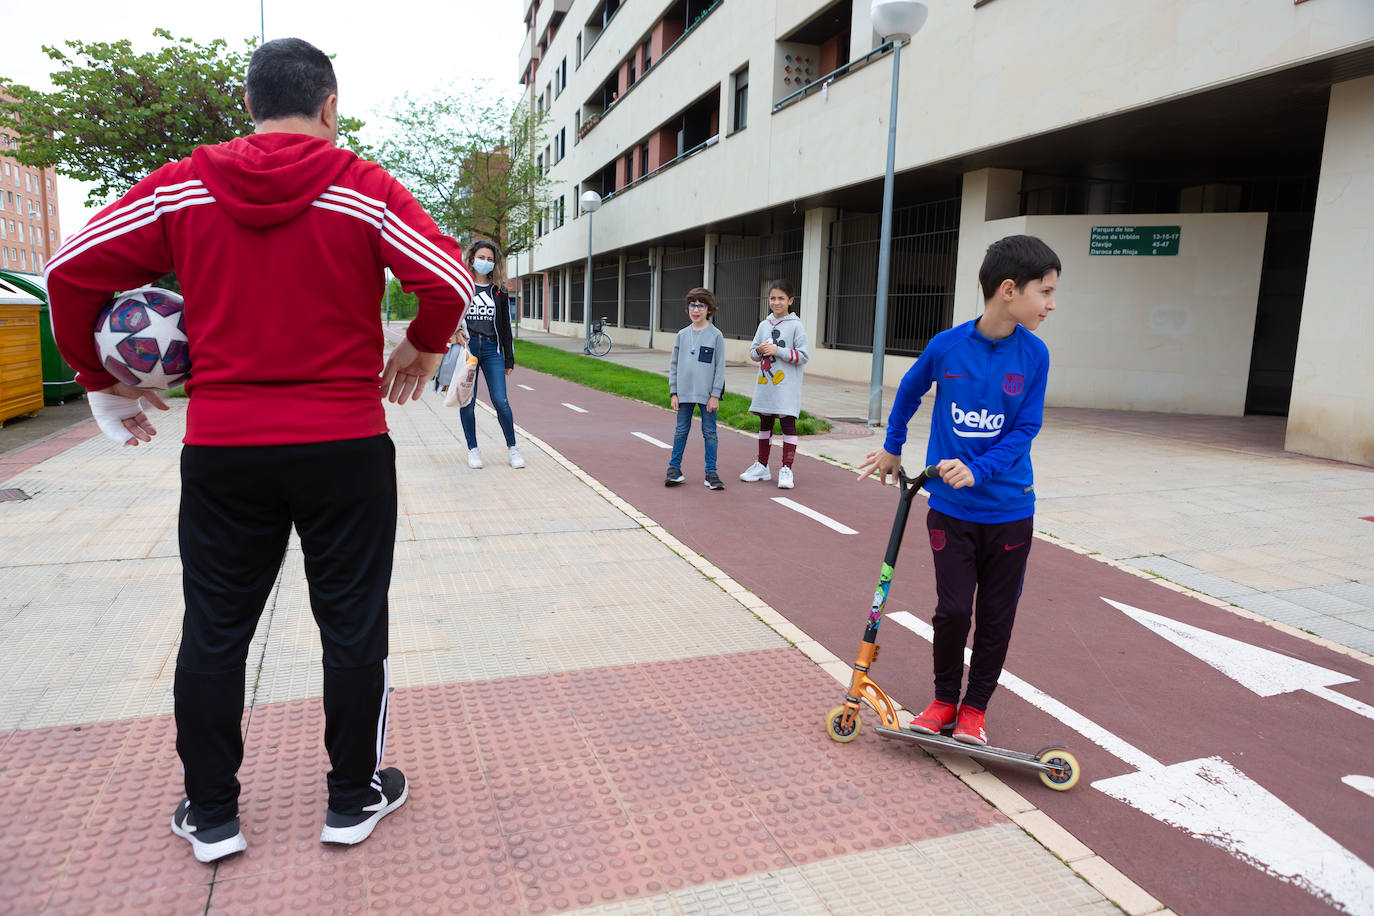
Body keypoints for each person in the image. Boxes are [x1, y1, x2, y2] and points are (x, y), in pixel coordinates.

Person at [45, 38, 472, 863]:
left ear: (249, 105)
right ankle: (350, 799)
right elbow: (447, 276)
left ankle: (212, 815)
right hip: (344, 444)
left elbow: (69, 268)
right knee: (353, 626)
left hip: (224, 449)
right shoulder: (362, 185)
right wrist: (423, 344)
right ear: (331, 105)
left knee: (214, 629)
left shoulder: (183, 185)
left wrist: (99, 380)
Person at [856, 235, 1060, 748]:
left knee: (997, 616)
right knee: (952, 610)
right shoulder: (947, 345)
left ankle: (974, 712)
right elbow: (908, 391)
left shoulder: (1035, 355)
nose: (1051, 304)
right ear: (1009, 291)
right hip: (949, 510)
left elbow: (1025, 428)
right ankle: (944, 700)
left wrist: (980, 469)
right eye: (1046, 292)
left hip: (1011, 510)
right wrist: (893, 447)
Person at [454, 238, 522, 469]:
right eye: (481, 258)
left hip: (492, 349)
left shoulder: (499, 292)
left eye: (490, 259)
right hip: (468, 350)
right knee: (468, 402)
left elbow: (505, 327)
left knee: (501, 401)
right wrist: (455, 332)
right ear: (472, 259)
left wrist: (509, 357)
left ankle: (513, 448)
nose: (485, 262)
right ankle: (473, 450)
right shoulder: (462, 287)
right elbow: (450, 315)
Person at [739, 279, 808, 489]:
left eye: (781, 298)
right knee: (765, 423)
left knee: (788, 424)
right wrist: (760, 350)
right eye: (772, 298)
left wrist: (779, 351)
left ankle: (787, 469)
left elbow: (803, 355)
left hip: (786, 387)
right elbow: (752, 353)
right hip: (765, 385)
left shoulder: (796, 326)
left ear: (790, 301)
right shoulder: (764, 325)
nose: (776, 302)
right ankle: (762, 465)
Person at [665, 287, 726, 490]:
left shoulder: (716, 335)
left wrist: (715, 395)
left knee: (709, 433)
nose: (696, 310)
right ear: (687, 309)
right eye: (692, 305)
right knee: (680, 431)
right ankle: (674, 469)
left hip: (707, 395)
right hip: (683, 394)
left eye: (701, 305)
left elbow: (720, 367)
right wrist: (674, 392)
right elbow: (673, 365)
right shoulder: (682, 335)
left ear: (709, 309)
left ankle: (711, 472)